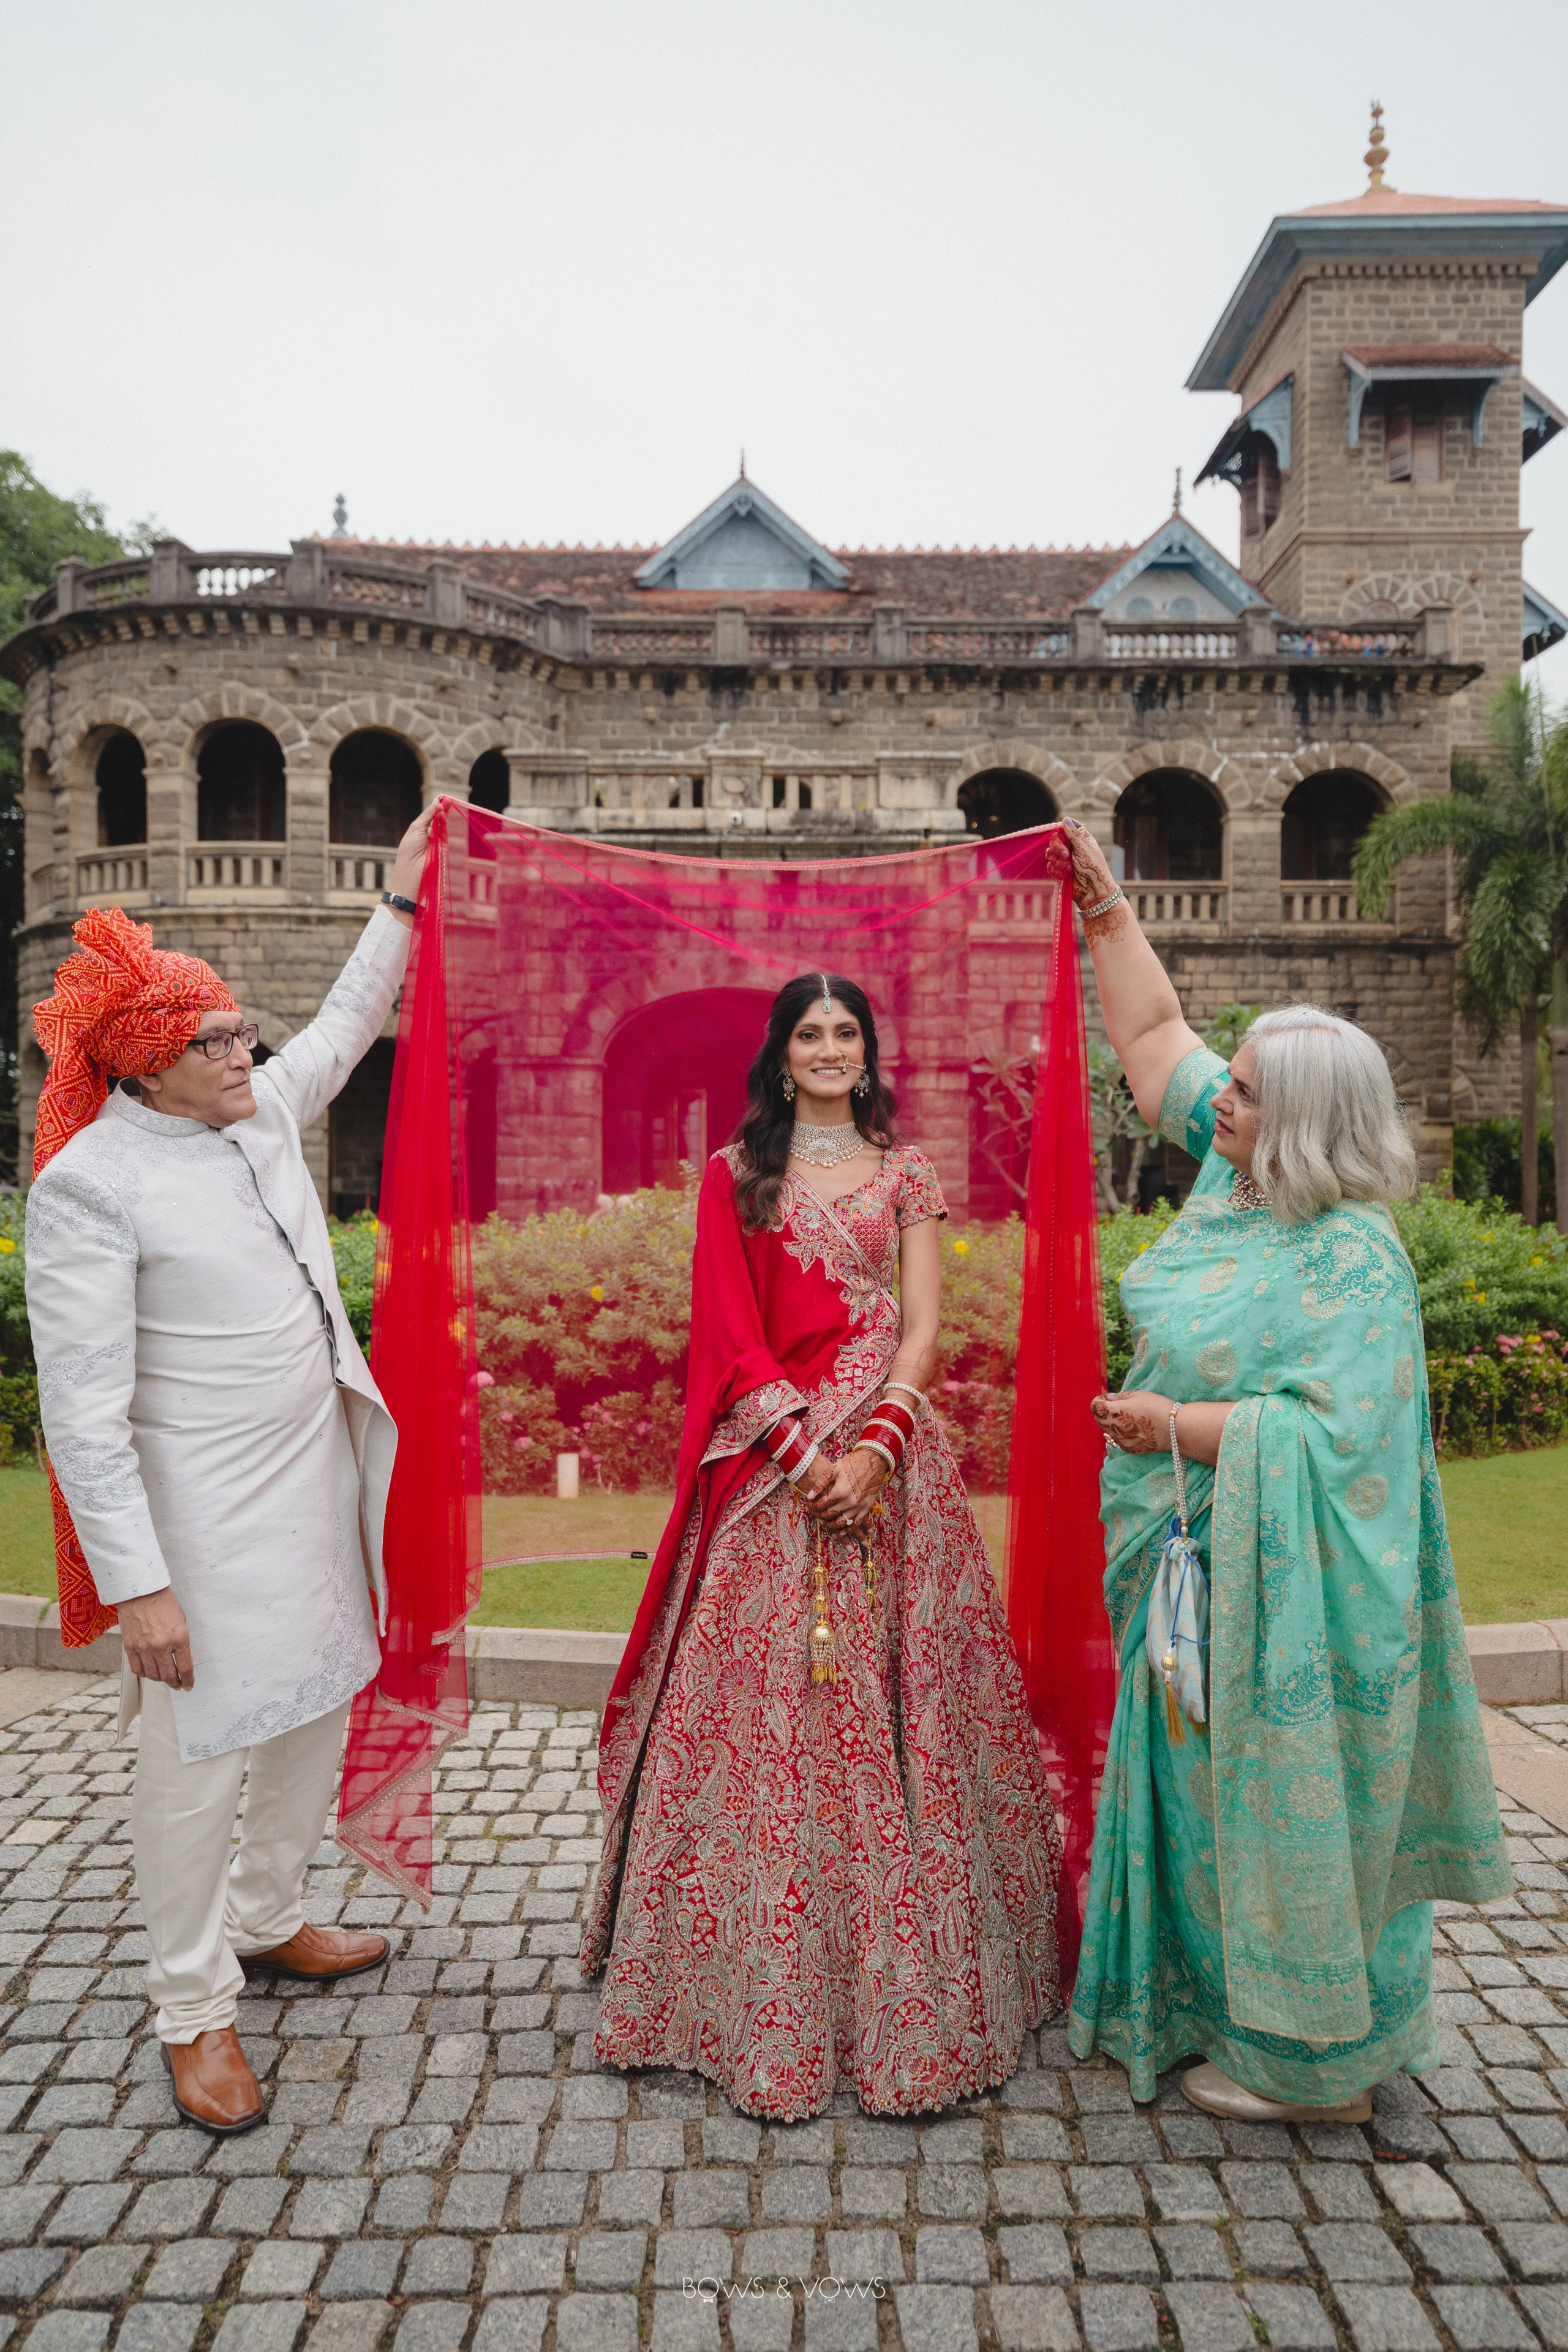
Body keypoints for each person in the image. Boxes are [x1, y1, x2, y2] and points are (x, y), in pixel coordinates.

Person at [1060, 820, 1509, 2122]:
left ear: (1300, 1119)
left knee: (1275, 1802)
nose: (1222, 1098)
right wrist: (1104, 912)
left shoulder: (1350, 1257)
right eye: (1236, 1083)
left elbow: (1339, 1454)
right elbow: (1151, 1046)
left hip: (1292, 1597)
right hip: (1194, 1567)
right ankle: (1210, 2001)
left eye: (1246, 1089)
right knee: (1198, 1793)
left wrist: (1176, 1428)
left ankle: (1312, 2067)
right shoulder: (1236, 1172)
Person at [582, 971, 1061, 2117]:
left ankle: (927, 1979)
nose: (832, 1048)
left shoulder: (907, 1172)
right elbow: (729, 1337)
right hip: (774, 1469)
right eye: (812, 1033)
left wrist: (880, 1448)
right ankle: (738, 1989)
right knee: (765, 1731)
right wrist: (806, 1462)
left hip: (893, 1472)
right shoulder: (736, 1176)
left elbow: (927, 1322)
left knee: (918, 1713)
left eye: (848, 1032)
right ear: (782, 1052)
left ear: (868, 1050)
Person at [24, 808, 433, 2133]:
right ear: (148, 1068)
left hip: (315, 1482)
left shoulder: (256, 1111)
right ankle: (192, 2009)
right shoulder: (91, 1186)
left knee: (317, 1704)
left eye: (240, 1030)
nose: (245, 1051)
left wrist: (402, 903)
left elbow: (341, 1028)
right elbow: (83, 1415)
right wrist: (141, 1589)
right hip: (193, 1523)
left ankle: (268, 1919)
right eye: (215, 1042)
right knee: (194, 1757)